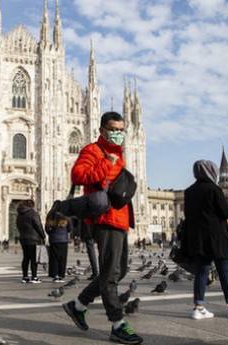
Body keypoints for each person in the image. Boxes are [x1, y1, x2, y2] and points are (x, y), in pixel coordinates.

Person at [61, 112, 143, 345]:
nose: (118, 134)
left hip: (120, 219)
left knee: (120, 270)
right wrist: (106, 163)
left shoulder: (118, 153)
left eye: (121, 130)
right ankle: (118, 324)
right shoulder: (93, 150)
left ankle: (78, 306)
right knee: (109, 275)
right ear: (102, 130)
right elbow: (78, 175)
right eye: (113, 129)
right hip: (104, 219)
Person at [183, 160, 228, 320]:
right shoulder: (214, 189)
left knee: (202, 272)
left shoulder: (189, 191)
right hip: (217, 239)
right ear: (211, 171)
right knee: (224, 272)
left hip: (199, 239)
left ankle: (198, 307)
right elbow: (227, 212)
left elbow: (188, 216)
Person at [16, 199, 46, 284]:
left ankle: (25, 277)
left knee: (26, 258)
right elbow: (38, 225)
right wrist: (43, 236)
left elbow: (18, 225)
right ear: (32, 205)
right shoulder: (33, 213)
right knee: (33, 259)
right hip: (33, 239)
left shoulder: (19, 214)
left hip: (23, 239)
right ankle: (34, 277)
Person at [47, 214, 72, 283]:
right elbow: (70, 229)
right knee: (62, 258)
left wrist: (51, 234)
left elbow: (47, 228)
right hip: (63, 240)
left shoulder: (51, 216)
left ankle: (55, 275)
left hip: (54, 240)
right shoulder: (66, 216)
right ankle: (61, 275)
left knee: (54, 258)